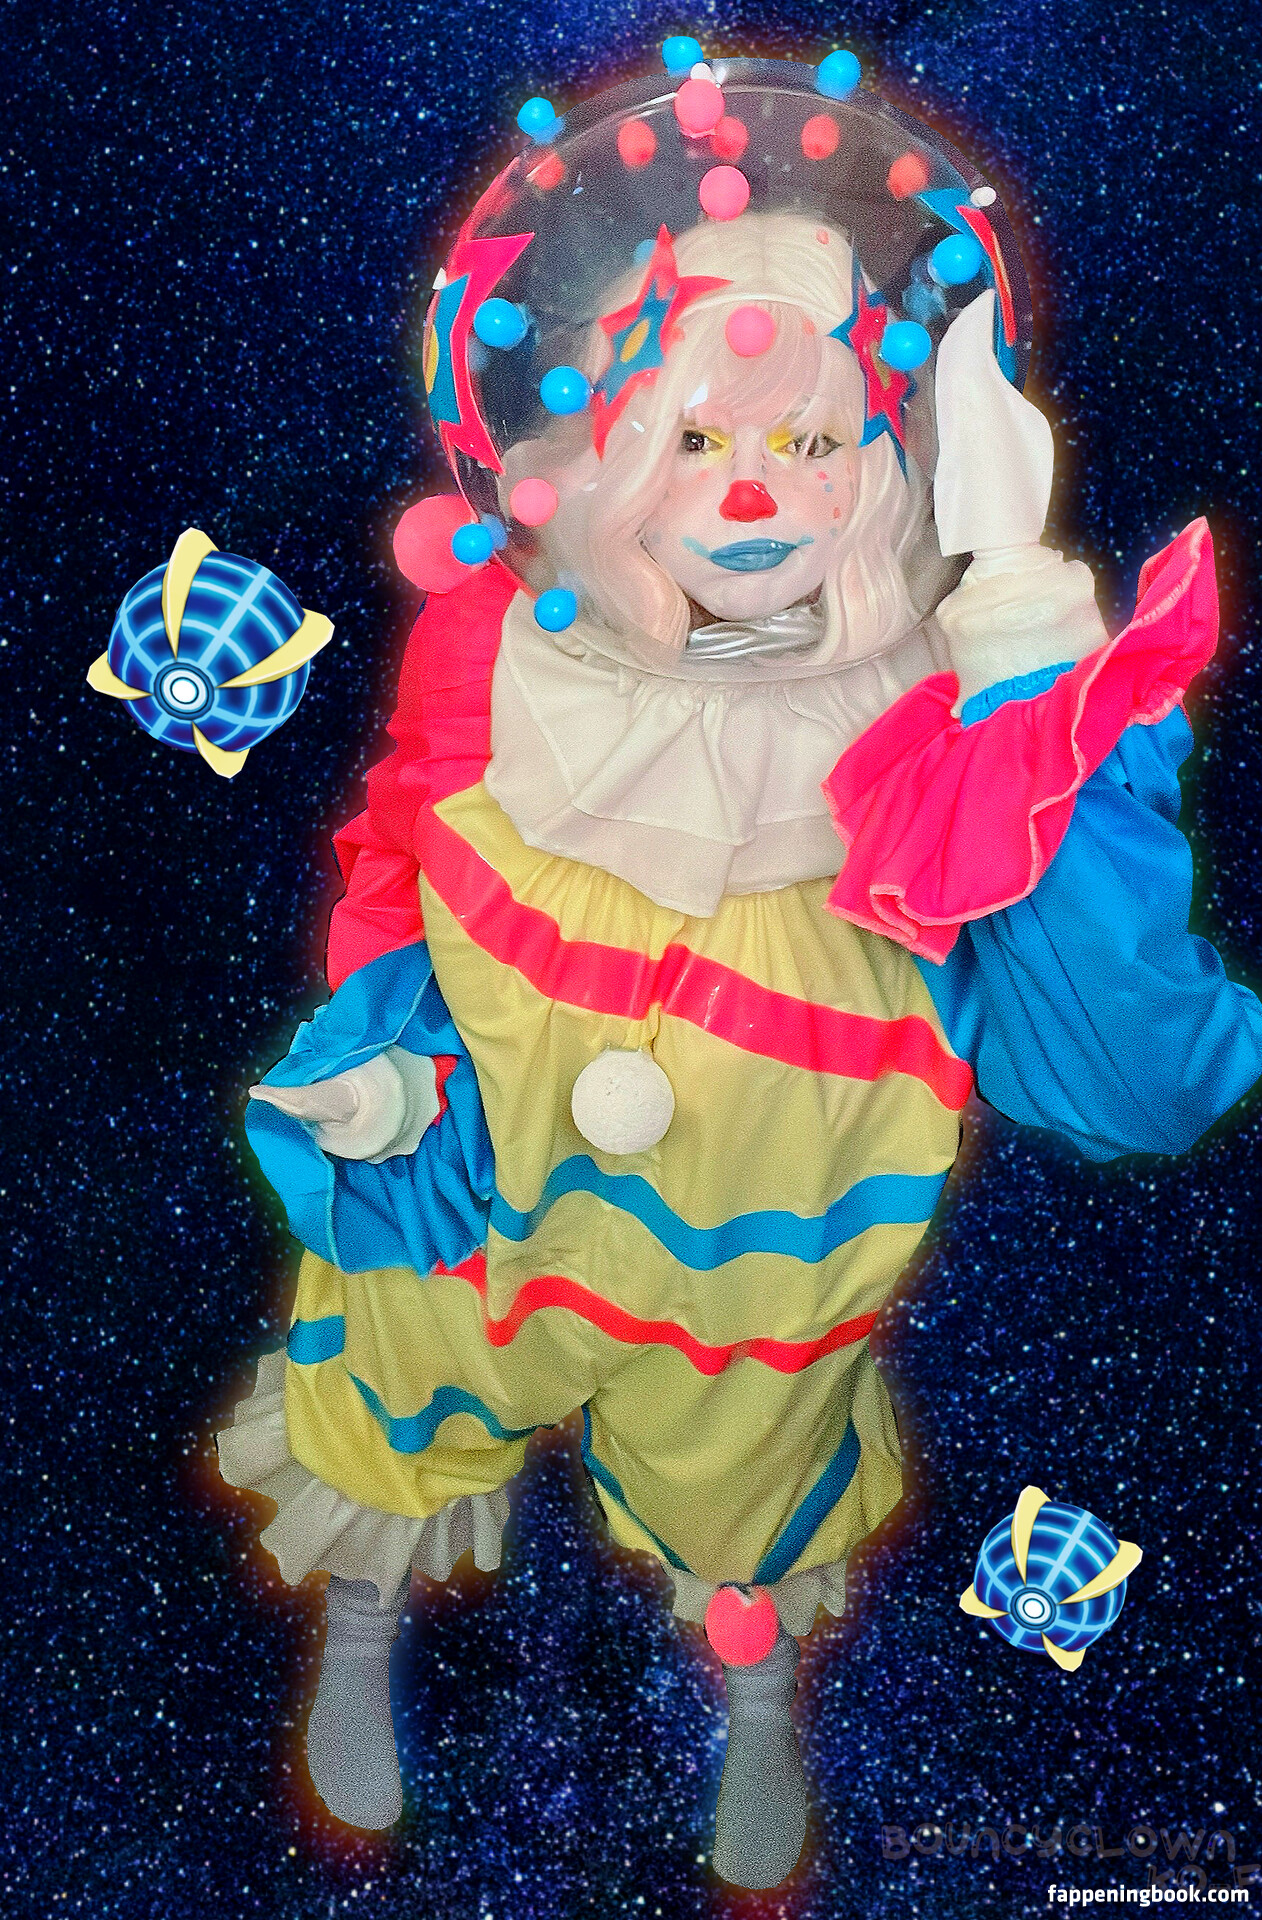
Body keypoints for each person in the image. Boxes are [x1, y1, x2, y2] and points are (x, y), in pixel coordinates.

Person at [216, 54, 1262, 1891]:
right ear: (612, 453)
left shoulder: (961, 713)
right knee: (397, 1387)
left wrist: (1025, 641)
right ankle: (361, 1625)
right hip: (484, 1206)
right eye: (699, 439)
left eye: (810, 443)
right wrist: (387, 1062)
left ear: (884, 461)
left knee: (753, 1483)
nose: (758, 491)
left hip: (764, 1257)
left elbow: (1137, 1083)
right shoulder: (501, 643)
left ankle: (756, 1698)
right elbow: (404, 866)